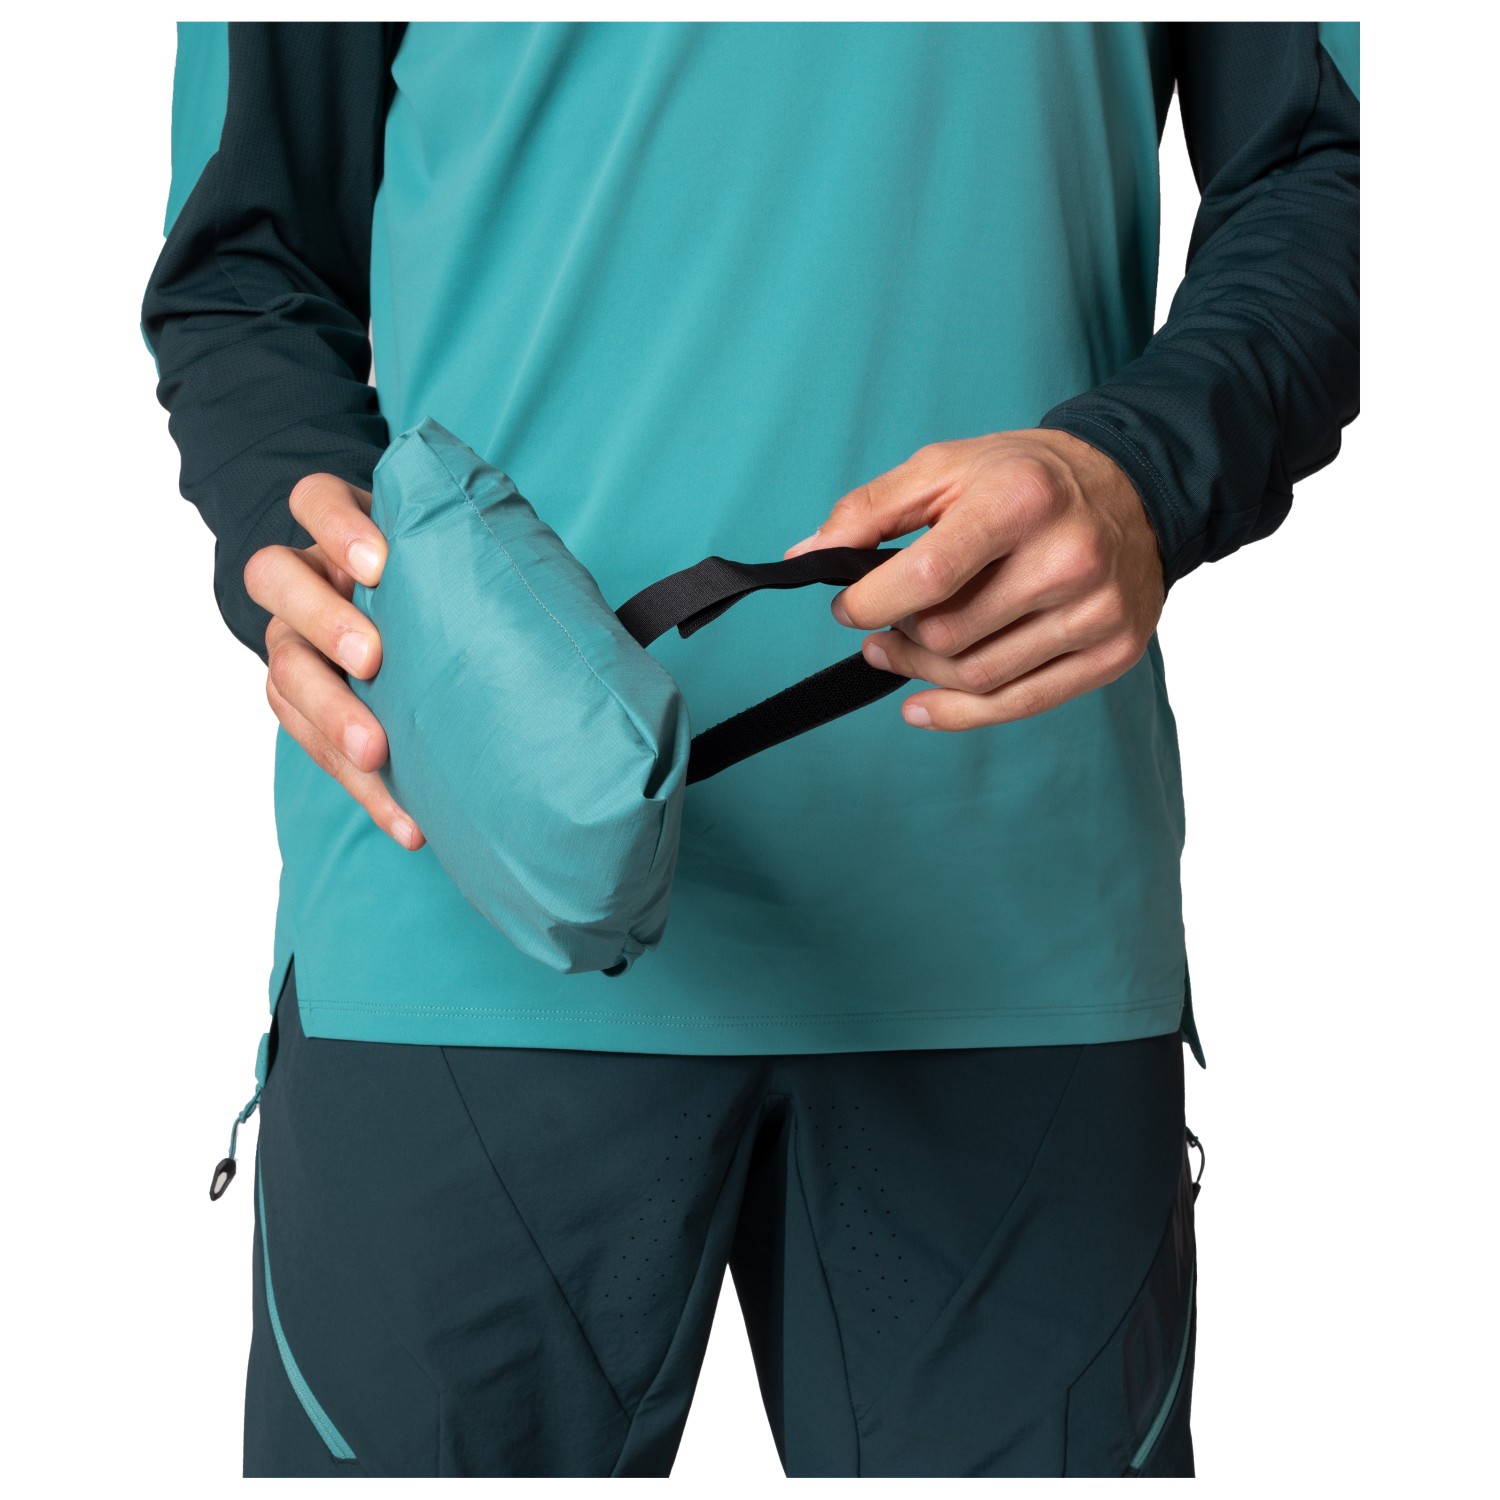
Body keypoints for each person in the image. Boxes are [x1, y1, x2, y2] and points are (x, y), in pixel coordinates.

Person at [143, 21, 1359, 1478]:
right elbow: (245, 262)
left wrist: (1145, 467)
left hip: (1005, 930)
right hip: (470, 899)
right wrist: (310, 549)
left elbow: (1333, 165)